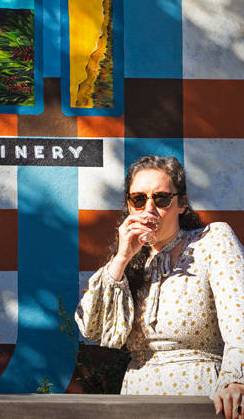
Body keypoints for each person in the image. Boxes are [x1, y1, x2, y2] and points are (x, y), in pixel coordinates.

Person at [74, 155, 244, 418]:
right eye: (138, 199)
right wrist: (121, 258)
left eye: (161, 198)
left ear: (181, 204)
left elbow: (240, 318)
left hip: (199, 395)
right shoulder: (130, 264)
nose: (149, 209)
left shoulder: (211, 241)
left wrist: (236, 380)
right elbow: (92, 328)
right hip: (138, 397)